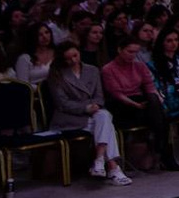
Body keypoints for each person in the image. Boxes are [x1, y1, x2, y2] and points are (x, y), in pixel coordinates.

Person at [44, 41, 129, 186]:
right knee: (106, 122)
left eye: (75, 56)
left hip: (94, 114)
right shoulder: (56, 74)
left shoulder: (92, 70)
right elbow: (62, 103)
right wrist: (86, 108)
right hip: (69, 117)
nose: (73, 60)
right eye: (68, 58)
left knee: (103, 116)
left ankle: (100, 161)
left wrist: (95, 105)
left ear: (79, 53)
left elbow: (99, 96)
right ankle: (112, 167)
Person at [102, 39, 179, 172]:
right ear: (120, 50)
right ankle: (163, 152)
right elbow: (116, 94)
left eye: (135, 52)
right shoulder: (108, 69)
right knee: (161, 116)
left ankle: (161, 149)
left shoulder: (140, 66)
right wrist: (136, 105)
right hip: (122, 103)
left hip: (143, 101)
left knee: (157, 105)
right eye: (129, 51)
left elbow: (150, 87)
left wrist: (159, 101)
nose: (132, 55)